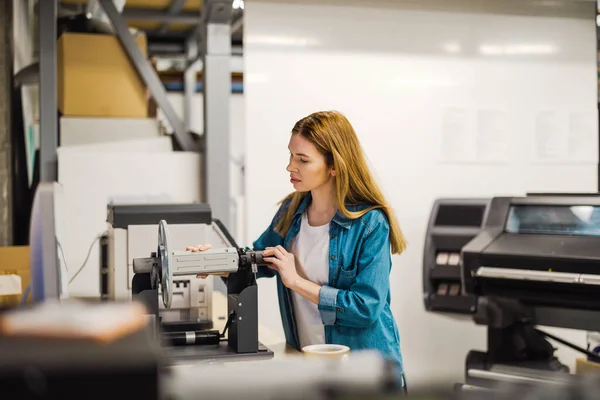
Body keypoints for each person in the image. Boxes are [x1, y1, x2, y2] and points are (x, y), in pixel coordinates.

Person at [188, 110, 407, 387]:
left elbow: (367, 308)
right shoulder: (291, 210)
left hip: (366, 374)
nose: (290, 167)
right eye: (291, 156)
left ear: (334, 165)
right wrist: (215, 261)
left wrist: (296, 282)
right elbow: (256, 258)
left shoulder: (370, 223)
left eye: (303, 160)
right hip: (310, 366)